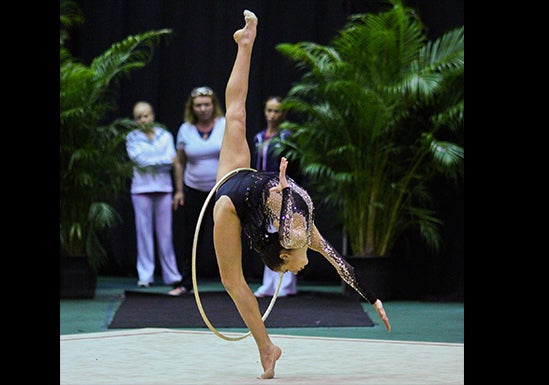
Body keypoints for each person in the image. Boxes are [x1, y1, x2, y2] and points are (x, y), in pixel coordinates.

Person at [213, 10, 391, 379]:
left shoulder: (294, 236)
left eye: (294, 266)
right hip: (245, 177)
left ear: (283, 255)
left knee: (232, 281)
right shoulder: (304, 237)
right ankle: (245, 43)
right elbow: (343, 265)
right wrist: (371, 297)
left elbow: (284, 208)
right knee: (235, 115)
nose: (303, 266)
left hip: (229, 200)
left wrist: (280, 187)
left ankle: (266, 349)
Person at [169, 86, 226, 296]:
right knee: (190, 237)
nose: (203, 109)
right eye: (199, 105)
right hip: (193, 188)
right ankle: (186, 283)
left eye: (207, 104)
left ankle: (233, 283)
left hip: (220, 189)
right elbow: (180, 162)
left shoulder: (224, 124)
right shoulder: (186, 129)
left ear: (214, 105)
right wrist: (179, 191)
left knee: (225, 235)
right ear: (192, 108)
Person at [126, 101, 183, 288]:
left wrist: (160, 162)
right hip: (140, 191)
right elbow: (140, 162)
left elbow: (173, 162)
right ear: (135, 120)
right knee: (144, 234)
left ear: (152, 115)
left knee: (165, 235)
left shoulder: (165, 135)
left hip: (164, 189)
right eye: (139, 117)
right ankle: (145, 275)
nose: (143, 120)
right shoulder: (132, 138)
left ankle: (171, 275)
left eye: (146, 115)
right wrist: (165, 161)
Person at [252, 96, 297, 298]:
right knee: (268, 237)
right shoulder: (259, 137)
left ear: (283, 114)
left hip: (282, 191)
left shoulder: (287, 137)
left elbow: (293, 168)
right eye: (269, 110)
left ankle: (286, 283)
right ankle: (268, 284)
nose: (272, 115)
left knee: (284, 235)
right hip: (264, 192)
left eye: (276, 111)